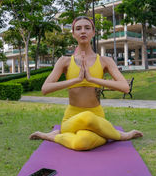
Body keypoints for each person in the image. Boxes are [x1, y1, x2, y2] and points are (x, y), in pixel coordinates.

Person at [29, 16, 143, 151]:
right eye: (78, 28)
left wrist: (92, 79)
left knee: (82, 142)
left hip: (96, 117)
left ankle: (55, 136)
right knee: (87, 117)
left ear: (93, 32)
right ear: (73, 34)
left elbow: (124, 87)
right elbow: (45, 89)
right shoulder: (64, 61)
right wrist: (76, 80)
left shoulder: (105, 61)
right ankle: (119, 135)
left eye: (87, 28)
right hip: (71, 119)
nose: (83, 31)